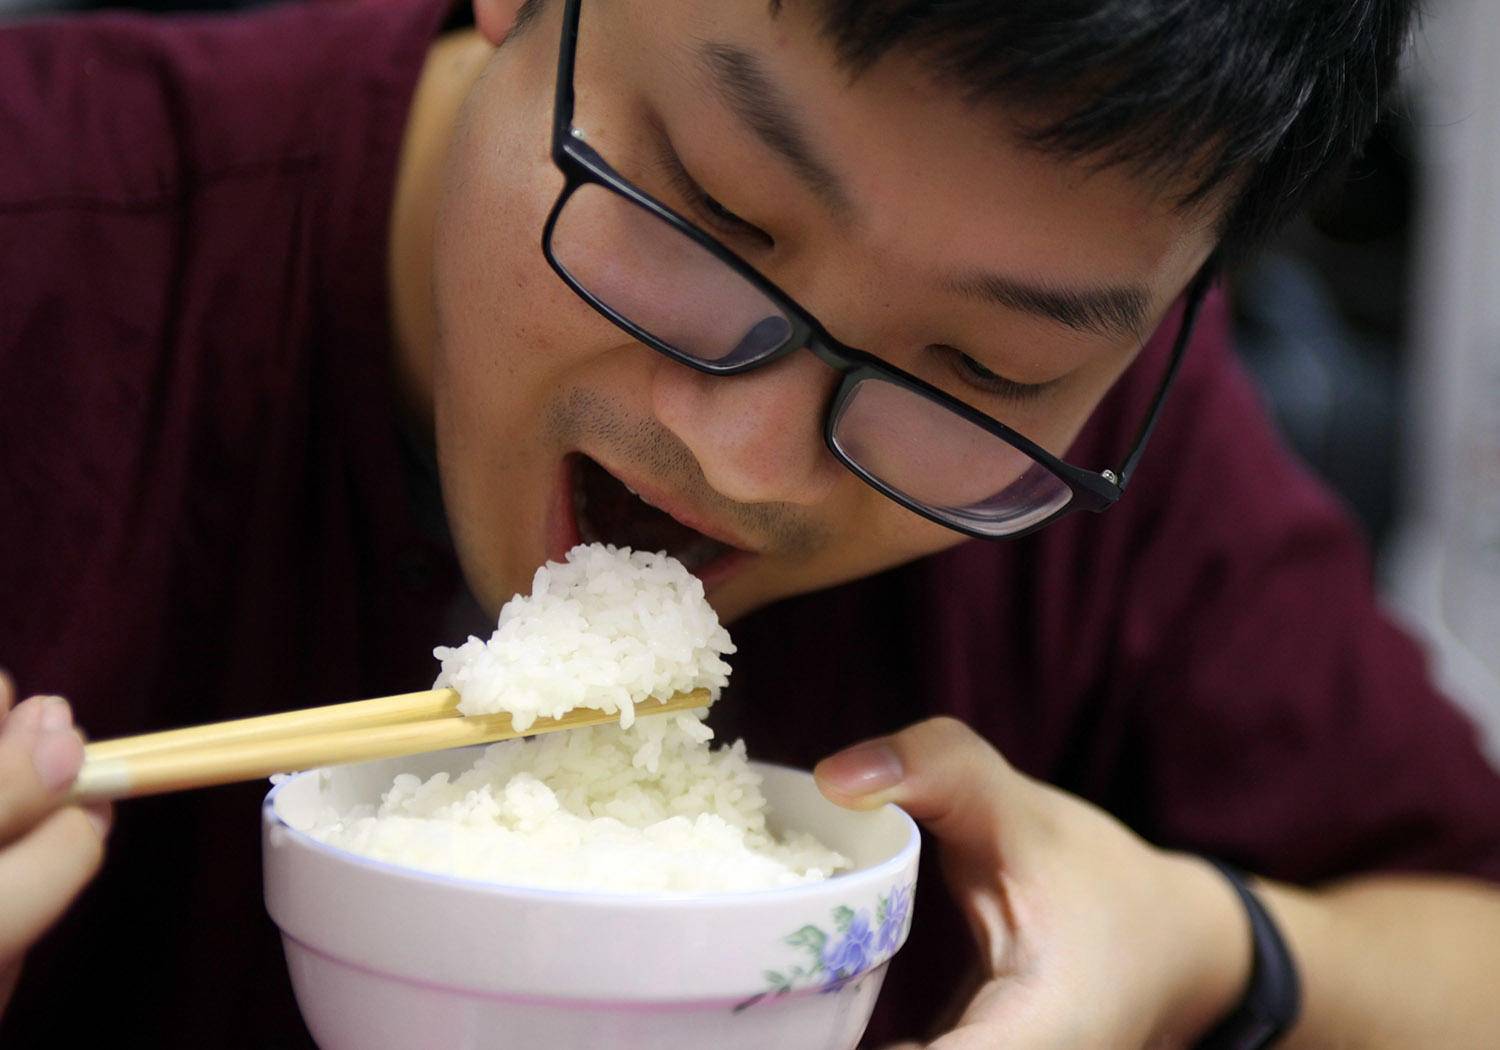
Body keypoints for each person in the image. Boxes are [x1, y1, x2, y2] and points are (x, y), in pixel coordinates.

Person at [2, 0, 1498, 1045]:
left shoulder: (1093, 483)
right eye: (713, 212)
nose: (756, 458)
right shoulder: (54, 225)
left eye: (981, 365)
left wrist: (1216, 950)